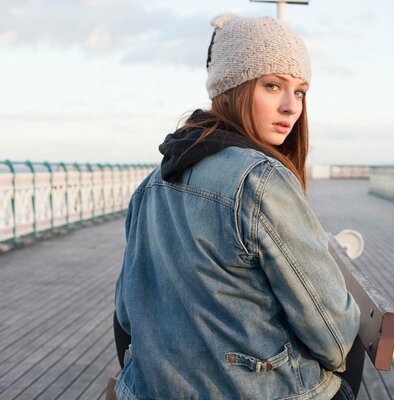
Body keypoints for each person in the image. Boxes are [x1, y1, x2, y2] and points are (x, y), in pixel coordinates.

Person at [112, 13, 364, 400]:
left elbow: (127, 315)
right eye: (273, 85)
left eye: (300, 91)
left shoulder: (152, 183)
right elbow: (333, 334)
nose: (291, 107)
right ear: (231, 87)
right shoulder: (259, 180)